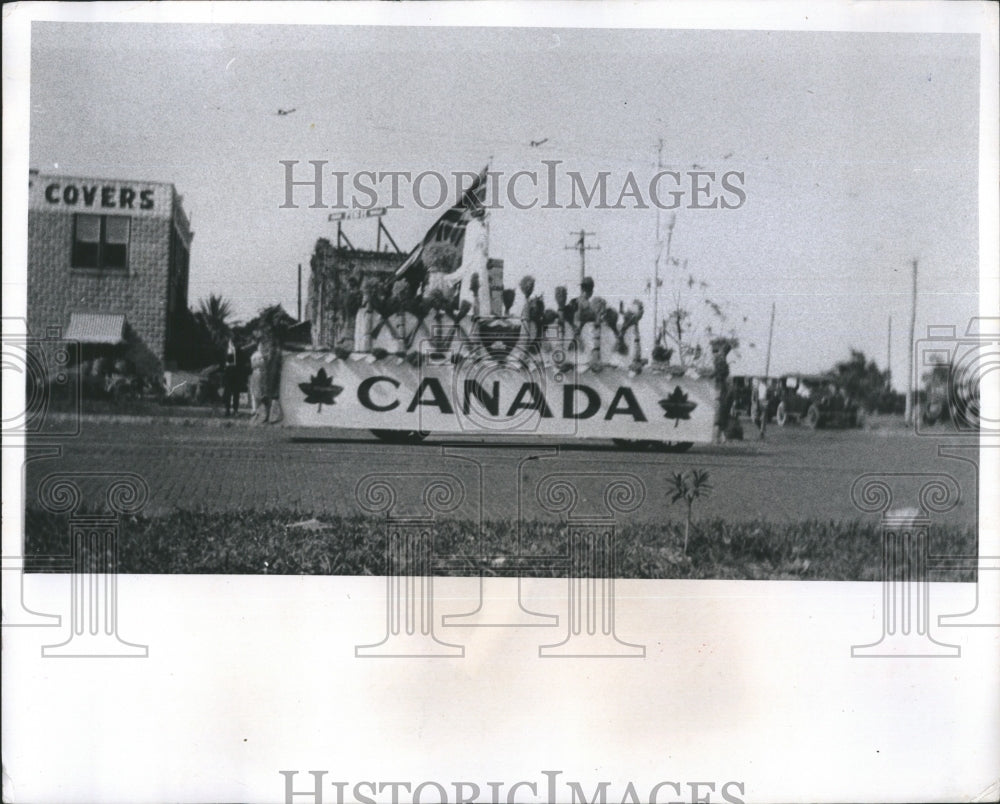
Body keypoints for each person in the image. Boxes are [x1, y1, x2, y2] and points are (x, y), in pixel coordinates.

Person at [222, 338, 240, 416]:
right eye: (230, 342)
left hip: (236, 373)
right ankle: (227, 410)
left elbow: (241, 362)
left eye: (232, 342)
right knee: (227, 392)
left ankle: (235, 410)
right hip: (228, 373)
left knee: (236, 392)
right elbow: (222, 362)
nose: (231, 343)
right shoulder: (225, 351)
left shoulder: (238, 351)